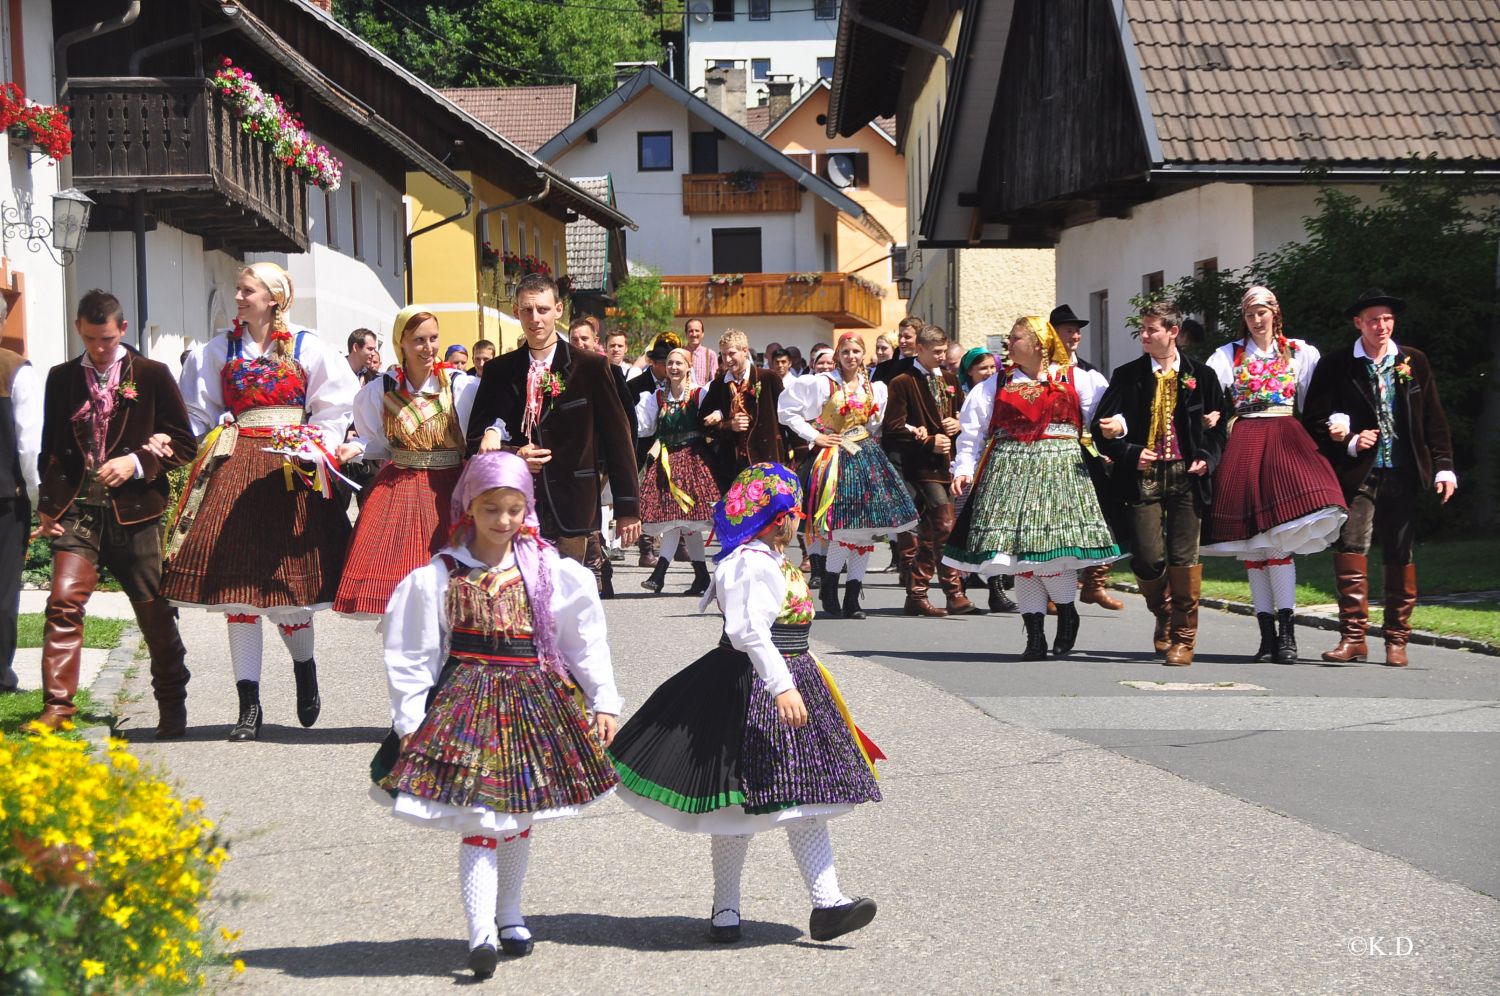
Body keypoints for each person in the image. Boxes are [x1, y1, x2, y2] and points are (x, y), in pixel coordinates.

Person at [609, 462, 880, 945]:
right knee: (737, 804)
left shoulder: (770, 559)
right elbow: (749, 632)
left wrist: (802, 675)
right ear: (780, 519)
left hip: (790, 675)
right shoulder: (752, 564)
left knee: (806, 795)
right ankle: (727, 905)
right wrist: (782, 685)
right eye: (796, 513)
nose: (799, 522)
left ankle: (828, 902)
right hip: (753, 684)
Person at [374, 452, 621, 978]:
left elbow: (583, 642)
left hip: (534, 704)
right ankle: (481, 930)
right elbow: (412, 653)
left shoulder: (550, 571)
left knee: (519, 815)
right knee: (482, 819)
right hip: (466, 706)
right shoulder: (437, 576)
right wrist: (410, 721)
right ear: (469, 507)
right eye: (491, 509)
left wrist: (604, 699)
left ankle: (509, 914)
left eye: (513, 508)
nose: (503, 521)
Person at [164, 262, 360, 740]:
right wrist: (203, 438)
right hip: (237, 469)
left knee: (288, 588)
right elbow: (198, 408)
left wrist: (317, 444)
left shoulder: (306, 346)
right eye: (237, 289)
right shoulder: (218, 349)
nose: (237, 297)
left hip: (290, 469)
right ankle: (248, 705)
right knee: (240, 594)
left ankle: (304, 667)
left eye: (246, 290)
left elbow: (335, 405)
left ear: (273, 298)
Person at [33, 290, 196, 734]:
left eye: (106, 338)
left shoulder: (152, 374)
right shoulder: (61, 377)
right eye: (89, 339)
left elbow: (185, 443)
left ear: (122, 330)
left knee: (153, 612)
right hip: (79, 514)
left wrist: (137, 462)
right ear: (78, 331)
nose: (99, 348)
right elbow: (51, 447)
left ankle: (172, 703)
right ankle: (58, 710)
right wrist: (48, 506)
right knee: (63, 602)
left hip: (137, 514)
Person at [947, 318, 1121, 658]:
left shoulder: (1077, 378)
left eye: (1016, 338)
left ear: (1039, 343)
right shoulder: (995, 384)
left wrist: (1117, 426)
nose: (1008, 344)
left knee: (1052, 553)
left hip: (1060, 473)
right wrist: (964, 468)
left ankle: (1067, 612)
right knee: (1020, 559)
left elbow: (1109, 413)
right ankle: (1035, 636)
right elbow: (973, 432)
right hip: (1009, 473)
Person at [1302, 287, 1456, 667]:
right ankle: (1353, 637)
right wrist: (1351, 440)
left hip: (1404, 469)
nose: (1382, 326)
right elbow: (1314, 421)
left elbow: (1433, 419)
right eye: (1373, 320)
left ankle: (1396, 639)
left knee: (1401, 552)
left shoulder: (1413, 361)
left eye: (1387, 319)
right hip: (1359, 472)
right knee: (1351, 547)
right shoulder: (1338, 364)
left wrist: (1444, 466)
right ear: (1359, 323)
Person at [1200, 287, 1347, 663]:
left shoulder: (1300, 351)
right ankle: (1266, 636)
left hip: (1284, 439)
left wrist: (1332, 428)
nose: (1256, 319)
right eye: (1250, 314)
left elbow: (1316, 402)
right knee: (1256, 547)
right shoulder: (1227, 355)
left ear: (1275, 313)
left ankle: (1287, 635)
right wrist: (1212, 415)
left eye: (1262, 312)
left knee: (1279, 541)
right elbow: (1206, 393)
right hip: (1246, 441)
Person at [468, 272, 641, 565]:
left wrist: (628, 507)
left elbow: (618, 437)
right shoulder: (499, 371)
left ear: (559, 310)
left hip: (573, 505)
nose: (535, 318)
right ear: (516, 311)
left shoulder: (591, 367)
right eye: (527, 309)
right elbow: (473, 441)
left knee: (564, 600)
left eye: (543, 309)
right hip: (512, 508)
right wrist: (513, 453)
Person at [1091, 300, 1229, 666]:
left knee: (1185, 558)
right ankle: (1164, 612)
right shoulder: (1128, 375)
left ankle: (1184, 638)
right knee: (1148, 558)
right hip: (1143, 478)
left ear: (1173, 332)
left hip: (1187, 475)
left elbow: (1218, 429)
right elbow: (1100, 429)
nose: (1145, 336)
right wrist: (1130, 451)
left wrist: (1207, 457)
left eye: (1152, 329)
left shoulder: (1202, 375)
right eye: (1143, 329)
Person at [334, 307, 478, 616]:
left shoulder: (457, 386)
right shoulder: (380, 390)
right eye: (419, 341)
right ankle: (403, 658)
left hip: (449, 490)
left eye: (434, 339)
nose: (429, 348)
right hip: (398, 489)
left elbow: (473, 441)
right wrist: (357, 447)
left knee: (447, 594)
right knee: (397, 592)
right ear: (402, 343)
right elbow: (379, 442)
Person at [779, 332, 918, 620]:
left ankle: (853, 595)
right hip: (834, 459)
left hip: (866, 457)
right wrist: (815, 436)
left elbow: (876, 423)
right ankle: (830, 587)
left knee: (865, 530)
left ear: (862, 354)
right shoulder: (821, 383)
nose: (851, 357)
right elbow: (787, 412)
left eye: (856, 351)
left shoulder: (874, 387)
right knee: (843, 528)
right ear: (838, 355)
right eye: (846, 352)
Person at [881, 325, 980, 617]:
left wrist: (957, 424)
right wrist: (924, 439)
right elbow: (893, 428)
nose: (941, 357)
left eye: (943, 351)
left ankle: (917, 593)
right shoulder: (902, 381)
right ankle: (953, 592)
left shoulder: (949, 379)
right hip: (919, 465)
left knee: (931, 530)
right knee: (946, 524)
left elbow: (962, 414)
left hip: (946, 463)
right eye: (935, 352)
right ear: (920, 349)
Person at [1049, 303, 1125, 613]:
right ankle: (1055, 588)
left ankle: (1095, 582)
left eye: (1078, 330)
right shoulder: (1039, 371)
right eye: (1069, 329)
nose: (1076, 335)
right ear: (1052, 333)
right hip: (1048, 452)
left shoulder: (1090, 373)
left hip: (1082, 451)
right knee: (1054, 519)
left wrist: (1109, 442)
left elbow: (1105, 413)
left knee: (1102, 513)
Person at [635, 346, 720, 595]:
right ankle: (701, 576)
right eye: (670, 363)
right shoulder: (656, 397)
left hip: (692, 461)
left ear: (689, 366)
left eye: (678, 363)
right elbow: (644, 427)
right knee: (679, 521)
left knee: (682, 522)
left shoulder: (699, 394)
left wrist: (718, 415)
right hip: (666, 463)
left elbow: (715, 413)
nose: (673, 367)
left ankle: (659, 574)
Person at [954, 347, 1016, 614]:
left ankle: (996, 589)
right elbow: (968, 437)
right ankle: (958, 588)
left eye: (993, 367)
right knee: (967, 528)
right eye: (982, 368)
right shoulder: (963, 395)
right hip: (966, 465)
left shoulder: (1002, 390)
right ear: (969, 371)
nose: (989, 372)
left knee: (995, 527)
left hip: (995, 464)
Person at [0, 296, 40, 694]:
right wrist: (38, 498)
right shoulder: (14, 370)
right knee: (3, 586)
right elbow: (29, 446)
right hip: (4, 496)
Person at [699, 328, 784, 489]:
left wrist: (798, 455)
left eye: (731, 353)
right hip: (732, 465)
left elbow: (786, 417)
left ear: (745, 351)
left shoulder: (768, 378)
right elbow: (702, 424)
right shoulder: (718, 385)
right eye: (723, 355)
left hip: (766, 458)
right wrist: (728, 425)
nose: (727, 359)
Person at [871, 316, 922, 384]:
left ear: (919, 338)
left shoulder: (928, 366)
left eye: (907, 337)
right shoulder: (883, 369)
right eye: (900, 336)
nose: (902, 340)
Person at [684, 317, 718, 387]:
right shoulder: (679, 354)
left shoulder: (710, 354)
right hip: (682, 396)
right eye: (691, 331)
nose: (694, 334)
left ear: (702, 334)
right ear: (686, 334)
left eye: (697, 331)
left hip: (704, 396)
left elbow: (715, 381)